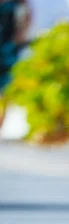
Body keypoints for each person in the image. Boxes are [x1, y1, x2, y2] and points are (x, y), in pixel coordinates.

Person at [0, 0, 31, 129]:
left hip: (8, 47)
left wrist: (21, 34)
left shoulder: (16, 3)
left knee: (5, 87)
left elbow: (28, 12)